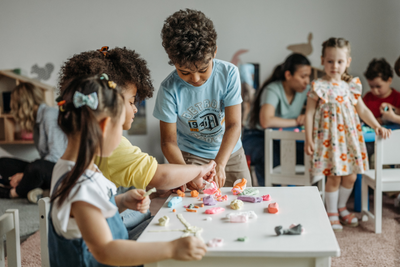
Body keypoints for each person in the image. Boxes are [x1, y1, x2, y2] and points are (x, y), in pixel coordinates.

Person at [58, 47, 216, 239]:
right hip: (104, 247)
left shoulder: (72, 166)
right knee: (167, 228)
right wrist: (200, 169)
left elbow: (95, 202)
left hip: (107, 225)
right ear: (105, 121)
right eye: (132, 102)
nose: (134, 110)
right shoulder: (105, 152)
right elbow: (161, 176)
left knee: (152, 217)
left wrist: (123, 200)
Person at [50, 75, 207, 267]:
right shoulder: (81, 186)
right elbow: (106, 251)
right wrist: (171, 249)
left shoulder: (68, 167)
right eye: (120, 128)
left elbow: (87, 214)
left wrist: (122, 201)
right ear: (105, 126)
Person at [153, 9, 251, 188]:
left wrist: (220, 163)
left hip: (230, 152)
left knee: (243, 198)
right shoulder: (169, 89)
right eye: (185, 72)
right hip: (190, 156)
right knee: (195, 207)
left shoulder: (229, 74)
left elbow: (234, 125)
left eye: (203, 70)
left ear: (214, 52)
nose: (196, 79)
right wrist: (185, 173)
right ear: (172, 60)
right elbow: (168, 142)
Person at [304, 37, 391, 232]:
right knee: (334, 177)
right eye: (330, 61)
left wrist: (377, 125)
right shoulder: (318, 85)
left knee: (351, 176)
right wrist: (308, 139)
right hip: (329, 140)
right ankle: (331, 211)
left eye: (340, 61)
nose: (335, 65)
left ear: (348, 62)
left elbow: (363, 110)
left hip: (349, 139)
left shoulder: (351, 85)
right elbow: (309, 114)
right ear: (322, 60)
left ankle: (342, 207)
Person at [242, 53, 311, 186]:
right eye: (303, 76)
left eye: (308, 76)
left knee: (306, 154)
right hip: (256, 136)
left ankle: (297, 192)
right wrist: (298, 120)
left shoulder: (305, 90)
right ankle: (269, 195)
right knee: (271, 156)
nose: (307, 81)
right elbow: (266, 121)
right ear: (288, 75)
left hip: (284, 138)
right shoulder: (273, 89)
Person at [0, 82, 67, 203]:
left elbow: (56, 156)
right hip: (47, 167)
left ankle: (12, 193)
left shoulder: (49, 114)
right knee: (3, 163)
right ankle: (39, 190)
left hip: (62, 170)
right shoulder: (36, 121)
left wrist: (23, 175)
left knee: (35, 168)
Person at [363, 58, 400, 124]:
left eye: (378, 86)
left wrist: (394, 111)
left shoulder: (397, 98)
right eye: (371, 86)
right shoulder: (367, 98)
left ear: (389, 80)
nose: (375, 90)